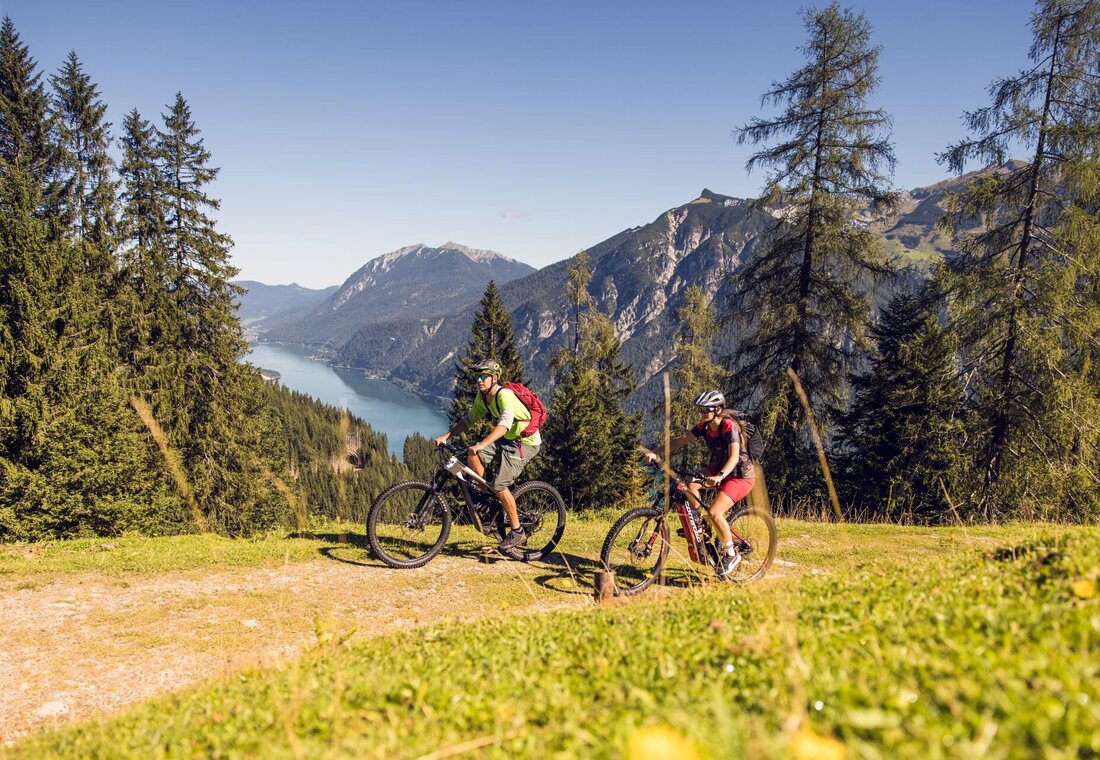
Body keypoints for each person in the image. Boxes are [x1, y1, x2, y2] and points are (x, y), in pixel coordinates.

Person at [433, 359, 542, 551]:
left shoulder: (504, 395)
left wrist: (483, 443)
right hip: (508, 438)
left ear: (494, 378)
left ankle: (517, 531)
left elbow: (505, 424)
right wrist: (446, 436)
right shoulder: (482, 397)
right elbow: (469, 419)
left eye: (484, 376)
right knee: (472, 455)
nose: (479, 380)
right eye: (477, 376)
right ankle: (488, 495)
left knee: (500, 485)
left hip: (524, 443)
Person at [658, 390, 755, 576]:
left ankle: (731, 554)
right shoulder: (704, 427)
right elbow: (680, 440)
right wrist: (656, 451)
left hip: (740, 475)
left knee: (715, 512)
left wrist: (720, 476)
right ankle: (697, 523)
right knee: (689, 482)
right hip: (718, 468)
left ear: (717, 409)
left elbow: (734, 457)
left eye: (706, 410)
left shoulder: (729, 426)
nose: (702, 414)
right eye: (701, 410)